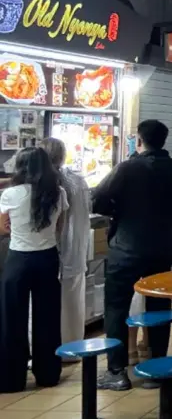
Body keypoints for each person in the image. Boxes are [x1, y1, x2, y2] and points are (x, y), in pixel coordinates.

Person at [92, 120, 172, 391]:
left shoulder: (127, 168)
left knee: (116, 308)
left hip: (125, 248)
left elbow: (97, 198)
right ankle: (157, 368)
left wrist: (119, 210)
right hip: (161, 247)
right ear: (164, 141)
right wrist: (170, 209)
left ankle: (117, 371)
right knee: (158, 306)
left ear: (139, 140)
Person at [0, 147, 68, 392]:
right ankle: (48, 373)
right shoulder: (58, 193)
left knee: (12, 319)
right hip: (48, 259)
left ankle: (11, 379)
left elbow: (2, 229)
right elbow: (60, 227)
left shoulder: (11, 194)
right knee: (47, 318)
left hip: (18, 259)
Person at [40, 138, 89, 347]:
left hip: (48, 251)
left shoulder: (43, 183)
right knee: (73, 301)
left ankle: (47, 346)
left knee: (46, 304)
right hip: (77, 249)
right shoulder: (79, 181)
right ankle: (73, 344)